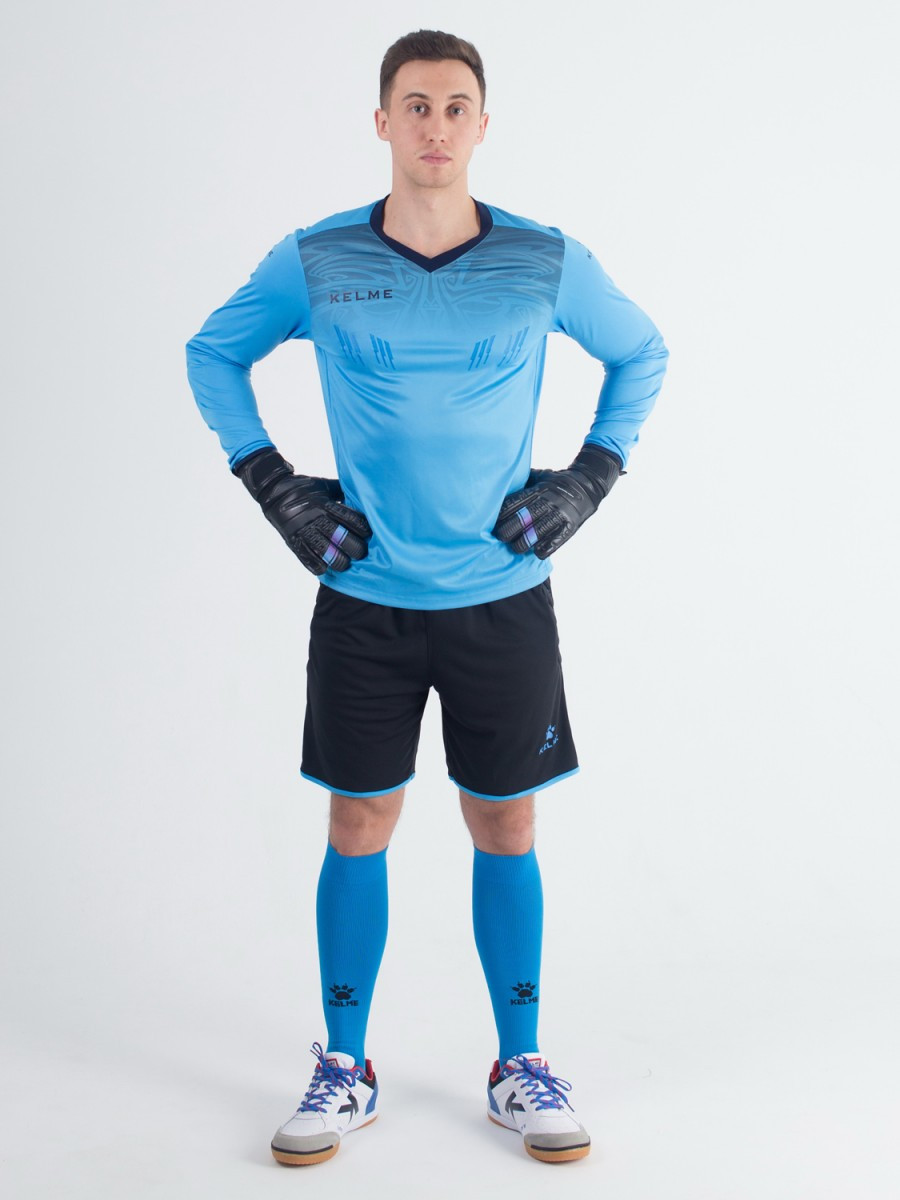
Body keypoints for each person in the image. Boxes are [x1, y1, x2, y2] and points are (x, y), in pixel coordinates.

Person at [185, 29, 667, 1167]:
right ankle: (345, 1067)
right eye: (416, 105)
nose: (436, 126)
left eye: (456, 107)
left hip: (504, 596)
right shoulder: (317, 258)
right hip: (367, 599)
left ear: (482, 126)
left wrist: (589, 478)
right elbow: (213, 353)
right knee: (359, 822)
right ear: (383, 122)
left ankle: (520, 1066)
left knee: (507, 821)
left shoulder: (543, 259)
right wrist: (273, 485)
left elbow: (642, 354)